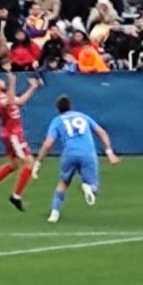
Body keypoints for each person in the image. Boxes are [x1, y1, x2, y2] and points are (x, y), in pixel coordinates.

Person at [34, 95, 120, 224]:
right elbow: (101, 132)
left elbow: (48, 143)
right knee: (93, 186)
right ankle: (89, 188)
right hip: (88, 153)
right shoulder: (83, 117)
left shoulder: (57, 121)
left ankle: (54, 213)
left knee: (63, 183)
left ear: (58, 109)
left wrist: (38, 162)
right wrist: (109, 152)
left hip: (69, 154)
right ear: (71, 106)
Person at [0, 66, 42, 211]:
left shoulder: (4, 97)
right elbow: (11, 101)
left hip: (10, 133)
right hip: (13, 134)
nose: (3, 82)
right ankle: (16, 196)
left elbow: (20, 101)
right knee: (28, 162)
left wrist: (32, 88)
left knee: (14, 164)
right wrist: (12, 82)